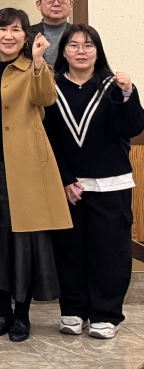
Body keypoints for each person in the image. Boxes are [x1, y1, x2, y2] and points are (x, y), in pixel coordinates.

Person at [0, 8, 69, 343]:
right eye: (2, 29)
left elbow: (46, 98)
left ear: (26, 36)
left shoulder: (36, 67)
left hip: (25, 171)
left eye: (16, 30)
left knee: (23, 244)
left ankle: (22, 316)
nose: (8, 36)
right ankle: (3, 312)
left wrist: (39, 62)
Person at [44, 25, 144, 340]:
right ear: (63, 51)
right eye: (73, 45)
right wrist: (65, 179)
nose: (81, 51)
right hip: (68, 185)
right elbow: (48, 140)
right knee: (69, 250)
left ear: (98, 51)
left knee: (110, 252)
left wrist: (128, 95)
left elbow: (132, 127)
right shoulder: (50, 87)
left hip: (111, 184)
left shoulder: (114, 86)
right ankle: (73, 310)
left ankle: (106, 314)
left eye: (88, 45)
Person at [31, 0, 74, 68]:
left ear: (71, 4)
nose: (56, 4)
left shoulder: (82, 34)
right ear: (38, 4)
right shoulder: (26, 34)